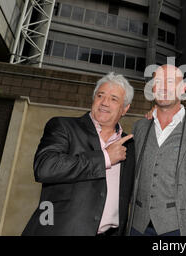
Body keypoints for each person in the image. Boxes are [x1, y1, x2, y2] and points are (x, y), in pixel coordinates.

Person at [22, 72, 135, 236]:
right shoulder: (63, 126)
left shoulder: (129, 145)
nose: (104, 103)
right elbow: (45, 167)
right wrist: (104, 158)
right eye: (100, 95)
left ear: (125, 109)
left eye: (113, 99)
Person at [127, 64, 186, 236]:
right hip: (139, 225)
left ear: (183, 88)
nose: (164, 87)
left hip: (184, 226)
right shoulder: (140, 127)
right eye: (158, 81)